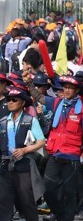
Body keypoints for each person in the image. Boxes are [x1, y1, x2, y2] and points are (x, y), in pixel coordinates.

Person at [23, 73, 83, 221]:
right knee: (47, 189)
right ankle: (60, 214)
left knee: (69, 193)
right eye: (65, 87)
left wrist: (76, 145)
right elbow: (39, 97)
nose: (66, 91)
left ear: (76, 91)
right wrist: (29, 83)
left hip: (72, 156)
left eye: (70, 88)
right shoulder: (56, 103)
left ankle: (66, 218)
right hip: (55, 153)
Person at [0, 87, 45, 221]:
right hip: (5, 165)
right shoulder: (2, 122)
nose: (10, 102)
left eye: (14, 100)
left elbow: (41, 141)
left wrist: (24, 150)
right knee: (3, 201)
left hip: (23, 165)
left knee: (27, 201)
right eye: (8, 100)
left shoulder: (30, 120)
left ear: (23, 103)